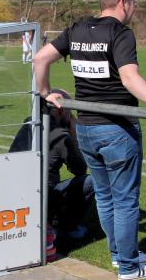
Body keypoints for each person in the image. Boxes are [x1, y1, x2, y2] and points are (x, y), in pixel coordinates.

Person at [34, 0, 146, 280]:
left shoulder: (76, 29)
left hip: (86, 129)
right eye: (134, 4)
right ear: (124, 1)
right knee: (125, 199)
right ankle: (128, 266)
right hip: (116, 129)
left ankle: (120, 256)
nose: (134, 11)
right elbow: (129, 79)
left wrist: (45, 91)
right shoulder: (120, 33)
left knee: (105, 195)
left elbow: (40, 58)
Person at [9, 89, 95, 259]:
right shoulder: (61, 136)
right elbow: (79, 169)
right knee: (93, 181)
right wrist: (73, 135)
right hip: (45, 196)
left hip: (17, 192)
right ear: (62, 110)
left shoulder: (29, 123)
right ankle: (67, 228)